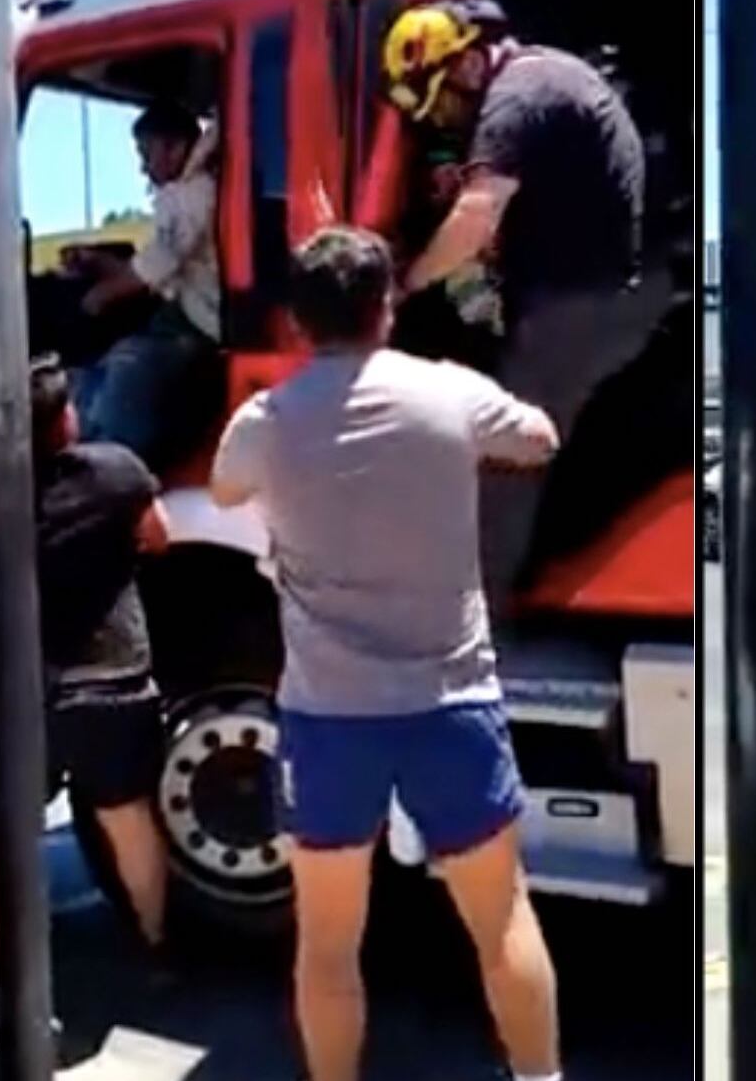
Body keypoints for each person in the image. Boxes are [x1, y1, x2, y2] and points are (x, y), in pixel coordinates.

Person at [210, 226, 563, 1081]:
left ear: (296, 321)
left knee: (328, 945)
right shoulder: (449, 394)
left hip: (330, 717)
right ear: (388, 307)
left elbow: (223, 489)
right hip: (453, 703)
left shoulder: (264, 423)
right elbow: (540, 438)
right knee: (501, 918)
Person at [381, 0, 649, 611]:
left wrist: (405, 282)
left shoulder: (515, 99)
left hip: (570, 309)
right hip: (587, 298)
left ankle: (476, 624)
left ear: (471, 62)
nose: (444, 121)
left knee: (504, 461)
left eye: (442, 101)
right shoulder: (544, 77)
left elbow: (476, 219)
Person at [0, 357, 172, 1080]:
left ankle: (1, 981)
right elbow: (158, 537)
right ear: (65, 418)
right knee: (127, 815)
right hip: (115, 681)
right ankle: (154, 948)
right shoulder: (117, 471)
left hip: (29, 694)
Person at [69, 100, 224, 474]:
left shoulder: (193, 192)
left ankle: (103, 471)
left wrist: (99, 295)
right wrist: (99, 263)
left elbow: (161, 263)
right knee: (98, 369)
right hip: (188, 311)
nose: (143, 166)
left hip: (201, 323)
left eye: (146, 153)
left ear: (175, 147)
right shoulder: (191, 190)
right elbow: (162, 263)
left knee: (127, 364)